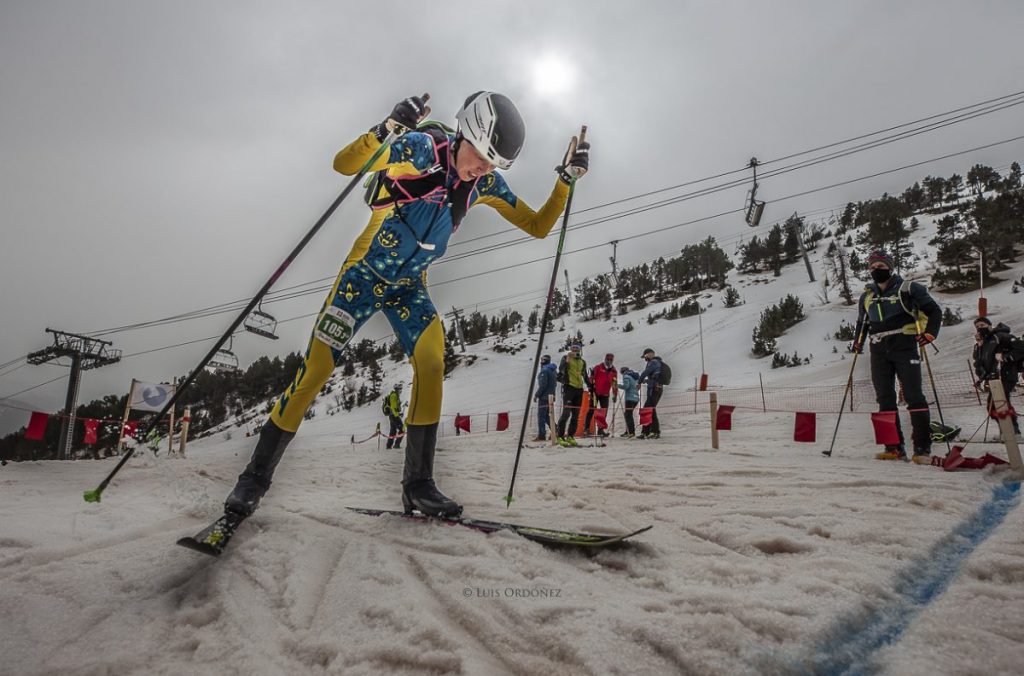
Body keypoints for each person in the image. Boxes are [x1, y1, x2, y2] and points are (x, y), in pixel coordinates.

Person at [223, 92, 590, 521]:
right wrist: (386, 130)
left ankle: (418, 486)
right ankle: (252, 481)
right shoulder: (421, 149)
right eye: (483, 158)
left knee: (433, 363)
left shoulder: (484, 183)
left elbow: (538, 225)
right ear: (465, 135)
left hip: (408, 287)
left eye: (495, 165)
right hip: (360, 280)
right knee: (316, 372)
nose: (485, 170)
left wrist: (566, 179)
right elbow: (345, 165)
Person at [853, 250, 942, 463]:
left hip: (904, 344)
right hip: (878, 348)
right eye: (872, 267)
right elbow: (862, 322)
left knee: (913, 395)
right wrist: (858, 341)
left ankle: (922, 448)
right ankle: (893, 447)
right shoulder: (867, 296)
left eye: (881, 267)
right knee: (884, 397)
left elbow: (934, 311)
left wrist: (930, 333)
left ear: (890, 268)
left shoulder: (909, 288)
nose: (876, 270)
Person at [972, 316, 1021, 437]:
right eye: (977, 327)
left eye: (982, 325)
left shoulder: (1001, 336)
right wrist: (978, 346)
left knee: (998, 403)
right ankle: (1006, 431)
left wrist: (1005, 357)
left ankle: (1013, 432)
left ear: (989, 325)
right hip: (993, 377)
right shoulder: (983, 341)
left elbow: (1021, 348)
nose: (980, 328)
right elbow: (978, 361)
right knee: (992, 406)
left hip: (1006, 374)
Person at [556, 342, 592, 447]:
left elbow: (584, 375)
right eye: (573, 348)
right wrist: (567, 360)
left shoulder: (582, 362)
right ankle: (560, 436)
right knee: (566, 413)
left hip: (579, 389)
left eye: (577, 348)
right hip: (568, 387)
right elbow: (561, 369)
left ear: (580, 350)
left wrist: (590, 385)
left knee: (576, 415)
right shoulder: (566, 357)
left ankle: (570, 436)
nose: (575, 350)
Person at [585, 353, 618, 438]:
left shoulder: (613, 371)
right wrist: (590, 386)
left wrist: (615, 394)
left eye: (611, 360)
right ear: (605, 359)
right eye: (608, 359)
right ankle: (586, 429)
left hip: (605, 394)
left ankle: (600, 430)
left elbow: (614, 383)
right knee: (592, 409)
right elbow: (592, 377)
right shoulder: (598, 367)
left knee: (604, 411)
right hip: (595, 393)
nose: (609, 361)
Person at [637, 348, 665, 438]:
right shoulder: (657, 363)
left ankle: (654, 431)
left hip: (654, 389)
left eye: (645, 356)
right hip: (655, 388)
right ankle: (647, 431)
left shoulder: (653, 362)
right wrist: (647, 381)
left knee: (649, 409)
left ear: (649, 354)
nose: (644, 359)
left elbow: (645, 372)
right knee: (649, 409)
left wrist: (639, 382)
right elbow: (652, 376)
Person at [533, 355, 557, 442]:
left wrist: (537, 395)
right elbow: (554, 384)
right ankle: (556, 430)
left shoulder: (544, 371)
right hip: (550, 396)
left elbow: (543, 385)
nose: (541, 361)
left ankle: (541, 435)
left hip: (544, 397)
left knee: (541, 416)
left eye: (542, 360)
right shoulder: (553, 370)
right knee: (547, 416)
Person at [617, 367, 641, 437]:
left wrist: (617, 385)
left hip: (629, 398)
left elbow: (626, 386)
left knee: (628, 415)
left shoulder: (626, 376)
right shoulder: (634, 376)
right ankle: (628, 431)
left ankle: (631, 432)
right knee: (628, 414)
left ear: (623, 372)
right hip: (636, 398)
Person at [384, 383, 405, 449]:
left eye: (401, 389)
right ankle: (396, 444)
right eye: (399, 389)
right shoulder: (394, 396)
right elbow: (393, 407)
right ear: (396, 389)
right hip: (394, 416)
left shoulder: (395, 395)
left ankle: (389, 445)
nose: (401, 390)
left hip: (392, 416)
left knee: (393, 431)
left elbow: (395, 407)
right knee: (402, 429)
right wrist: (398, 414)